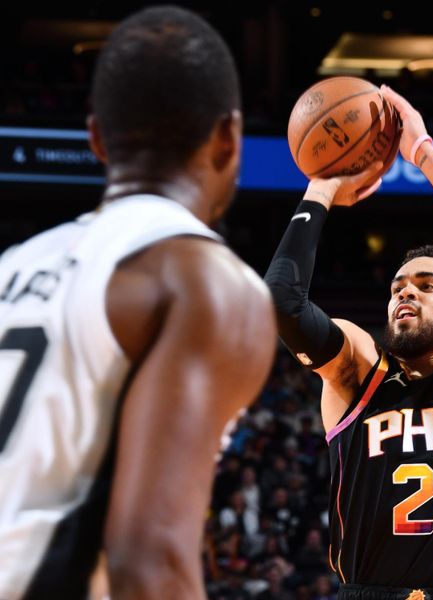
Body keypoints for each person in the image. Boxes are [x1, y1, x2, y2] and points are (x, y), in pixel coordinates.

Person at [0, 7, 276, 599]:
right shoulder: (207, 281)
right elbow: (147, 565)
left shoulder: (14, 264)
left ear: (96, 138)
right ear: (230, 136)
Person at [265, 85, 433, 599]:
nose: (405, 291)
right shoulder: (360, 368)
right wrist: (323, 185)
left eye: (427, 286)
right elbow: (280, 300)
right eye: (398, 287)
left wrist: (423, 155)